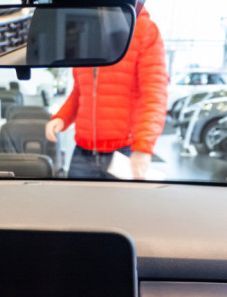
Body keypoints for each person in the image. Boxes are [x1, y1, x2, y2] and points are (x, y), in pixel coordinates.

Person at [45, 0, 168, 180]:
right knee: (74, 199)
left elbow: (154, 95)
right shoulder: (87, 28)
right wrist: (62, 117)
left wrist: (143, 147)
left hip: (122, 152)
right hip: (82, 152)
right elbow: (80, 90)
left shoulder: (145, 30)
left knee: (117, 201)